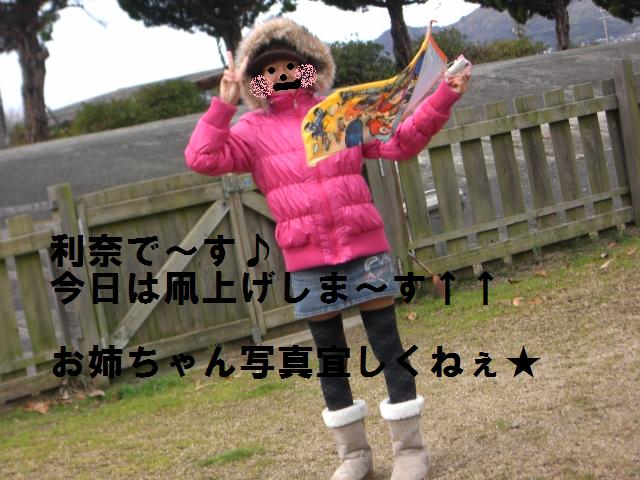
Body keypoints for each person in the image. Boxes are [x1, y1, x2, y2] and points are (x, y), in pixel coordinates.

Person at [185, 17, 470, 480]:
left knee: (387, 346)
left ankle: (410, 450)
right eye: (268, 70)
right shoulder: (251, 131)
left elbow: (399, 143)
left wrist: (444, 96)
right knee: (331, 358)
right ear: (256, 81)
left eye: (289, 66)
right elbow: (201, 158)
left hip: (364, 247)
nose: (280, 75)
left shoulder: (339, 113)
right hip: (308, 259)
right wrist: (224, 105)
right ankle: (354, 457)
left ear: (309, 68)